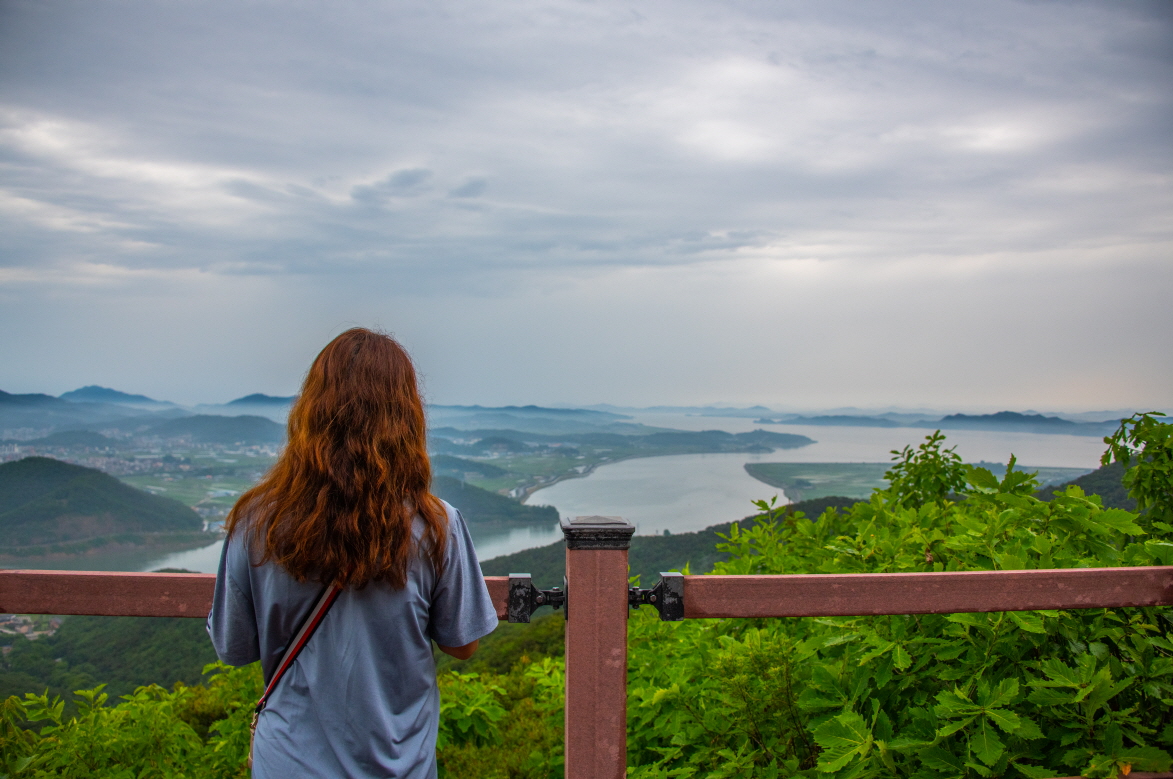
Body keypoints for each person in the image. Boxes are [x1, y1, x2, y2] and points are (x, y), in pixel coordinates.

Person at [207, 328, 498, 779]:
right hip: (398, 765)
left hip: (288, 763)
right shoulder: (436, 526)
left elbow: (235, 646)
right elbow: (462, 644)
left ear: (310, 409)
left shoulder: (255, 522)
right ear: (407, 417)